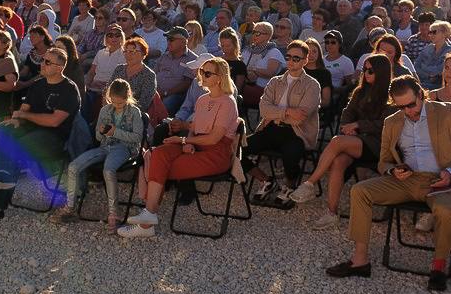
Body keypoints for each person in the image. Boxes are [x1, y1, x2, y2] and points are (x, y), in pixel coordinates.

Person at [327, 75, 451, 293]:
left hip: (442, 180)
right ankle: (360, 260)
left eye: (411, 104)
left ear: (421, 94)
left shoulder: (447, 113)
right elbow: (383, 161)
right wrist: (392, 170)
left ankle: (439, 267)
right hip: (407, 180)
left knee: (444, 210)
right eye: (401, 107)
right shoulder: (393, 121)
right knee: (360, 191)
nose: (408, 111)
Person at [118, 57, 239, 238]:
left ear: (220, 78)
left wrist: (184, 142)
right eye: (201, 72)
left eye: (207, 73)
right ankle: (148, 217)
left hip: (215, 154)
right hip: (196, 144)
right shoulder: (203, 99)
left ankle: (147, 221)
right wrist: (187, 141)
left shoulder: (228, 102)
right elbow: (194, 128)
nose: (202, 76)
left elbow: (214, 138)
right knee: (157, 153)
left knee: (162, 165)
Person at [0, 45, 80, 224]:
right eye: (43, 60)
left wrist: (24, 116)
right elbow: (22, 112)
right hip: (31, 131)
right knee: (5, 129)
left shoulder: (69, 89)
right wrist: (17, 119)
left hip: (54, 138)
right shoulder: (38, 84)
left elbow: (54, 121)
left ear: (59, 68)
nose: (42, 64)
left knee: (16, 147)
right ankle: (3, 178)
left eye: (47, 62)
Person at [289, 53, 394, 228]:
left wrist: (357, 125)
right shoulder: (361, 91)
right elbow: (347, 112)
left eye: (370, 70)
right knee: (338, 162)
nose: (365, 73)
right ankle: (332, 213)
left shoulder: (390, 95)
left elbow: (384, 124)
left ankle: (310, 183)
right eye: (364, 69)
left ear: (381, 72)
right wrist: (348, 127)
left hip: (378, 144)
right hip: (356, 140)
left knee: (337, 141)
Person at [53, 77, 145, 231]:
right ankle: (70, 207)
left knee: (108, 170)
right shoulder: (105, 110)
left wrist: (116, 132)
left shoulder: (134, 112)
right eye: (114, 102)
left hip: (124, 148)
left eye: (120, 103)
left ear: (127, 98)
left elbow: (137, 137)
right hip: (105, 146)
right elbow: (97, 137)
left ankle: (113, 213)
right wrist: (103, 132)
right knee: (74, 166)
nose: (116, 106)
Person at [245, 40, 322, 208]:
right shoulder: (275, 82)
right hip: (271, 128)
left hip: (296, 132)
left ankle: (290, 185)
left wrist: (277, 112)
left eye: (296, 58)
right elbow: (263, 110)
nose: (291, 61)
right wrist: (288, 111)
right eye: (288, 57)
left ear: (305, 61)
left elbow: (300, 118)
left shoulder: (312, 85)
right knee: (239, 149)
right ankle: (266, 180)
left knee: (291, 156)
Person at [111, 37, 157, 114]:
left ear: (143, 54)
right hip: (112, 110)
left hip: (133, 115)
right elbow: (108, 91)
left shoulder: (149, 75)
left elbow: (144, 103)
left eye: (132, 52)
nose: (127, 55)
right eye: (125, 51)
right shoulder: (119, 69)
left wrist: (122, 110)